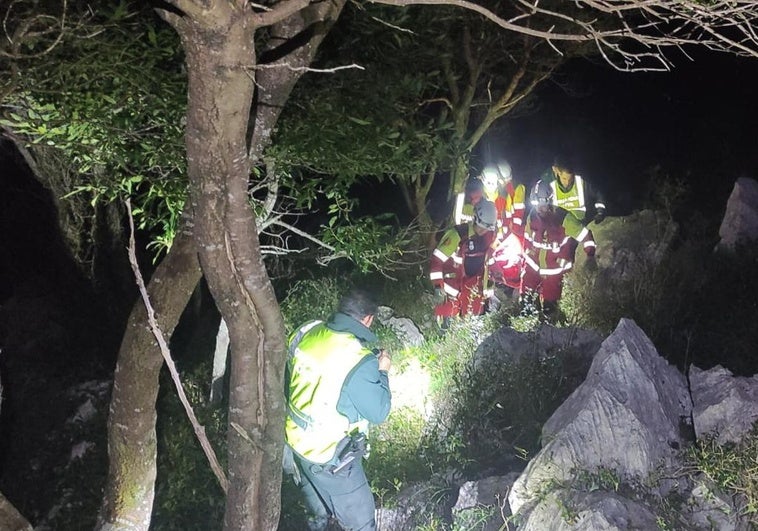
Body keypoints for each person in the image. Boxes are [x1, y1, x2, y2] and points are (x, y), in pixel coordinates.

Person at [284, 289, 392, 530]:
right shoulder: (357, 358)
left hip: (296, 445)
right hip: (330, 458)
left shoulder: (308, 331)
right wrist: (382, 371)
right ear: (368, 319)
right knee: (362, 524)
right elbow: (379, 411)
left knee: (319, 518)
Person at [520, 179, 596, 320]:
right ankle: (527, 328)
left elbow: (585, 235)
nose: (539, 209)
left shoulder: (563, 219)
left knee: (550, 310)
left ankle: (552, 328)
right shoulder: (532, 216)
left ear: (550, 201)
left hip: (554, 271)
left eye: (542, 206)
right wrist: (526, 258)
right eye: (536, 205)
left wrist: (590, 254)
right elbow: (527, 240)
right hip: (533, 268)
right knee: (526, 305)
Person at [430, 199, 498, 323]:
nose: (483, 231)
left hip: (474, 289)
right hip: (452, 289)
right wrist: (438, 286)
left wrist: (492, 278)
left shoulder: (490, 236)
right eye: (481, 226)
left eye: (487, 228)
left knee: (473, 324)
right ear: (475, 218)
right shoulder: (457, 235)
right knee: (446, 325)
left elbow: (490, 260)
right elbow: (437, 260)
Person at [480, 162, 527, 291]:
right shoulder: (491, 194)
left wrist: (512, 232)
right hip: (499, 234)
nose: (504, 183)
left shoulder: (515, 188)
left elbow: (516, 211)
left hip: (509, 233)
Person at [544, 155, 607, 225]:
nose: (567, 183)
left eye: (570, 179)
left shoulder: (581, 181)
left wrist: (600, 212)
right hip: (560, 230)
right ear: (558, 173)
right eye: (564, 179)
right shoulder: (549, 186)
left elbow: (598, 195)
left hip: (581, 225)